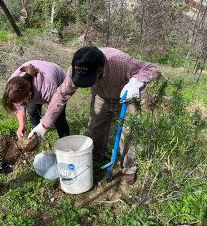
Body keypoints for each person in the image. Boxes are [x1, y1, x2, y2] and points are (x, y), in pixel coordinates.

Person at [28, 47, 157, 185]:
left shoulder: (120, 62)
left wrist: (135, 82)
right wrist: (44, 125)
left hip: (126, 98)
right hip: (101, 96)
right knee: (95, 128)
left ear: (100, 71)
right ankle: (94, 158)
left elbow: (150, 68)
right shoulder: (77, 66)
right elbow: (61, 95)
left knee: (128, 133)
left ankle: (129, 168)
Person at [3, 60, 69, 139]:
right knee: (32, 112)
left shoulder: (47, 88)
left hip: (59, 80)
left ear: (29, 94)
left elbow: (55, 109)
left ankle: (65, 140)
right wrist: (21, 125)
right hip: (32, 86)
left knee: (59, 119)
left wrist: (43, 127)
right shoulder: (12, 86)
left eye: (21, 101)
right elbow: (18, 105)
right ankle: (34, 135)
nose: (20, 103)